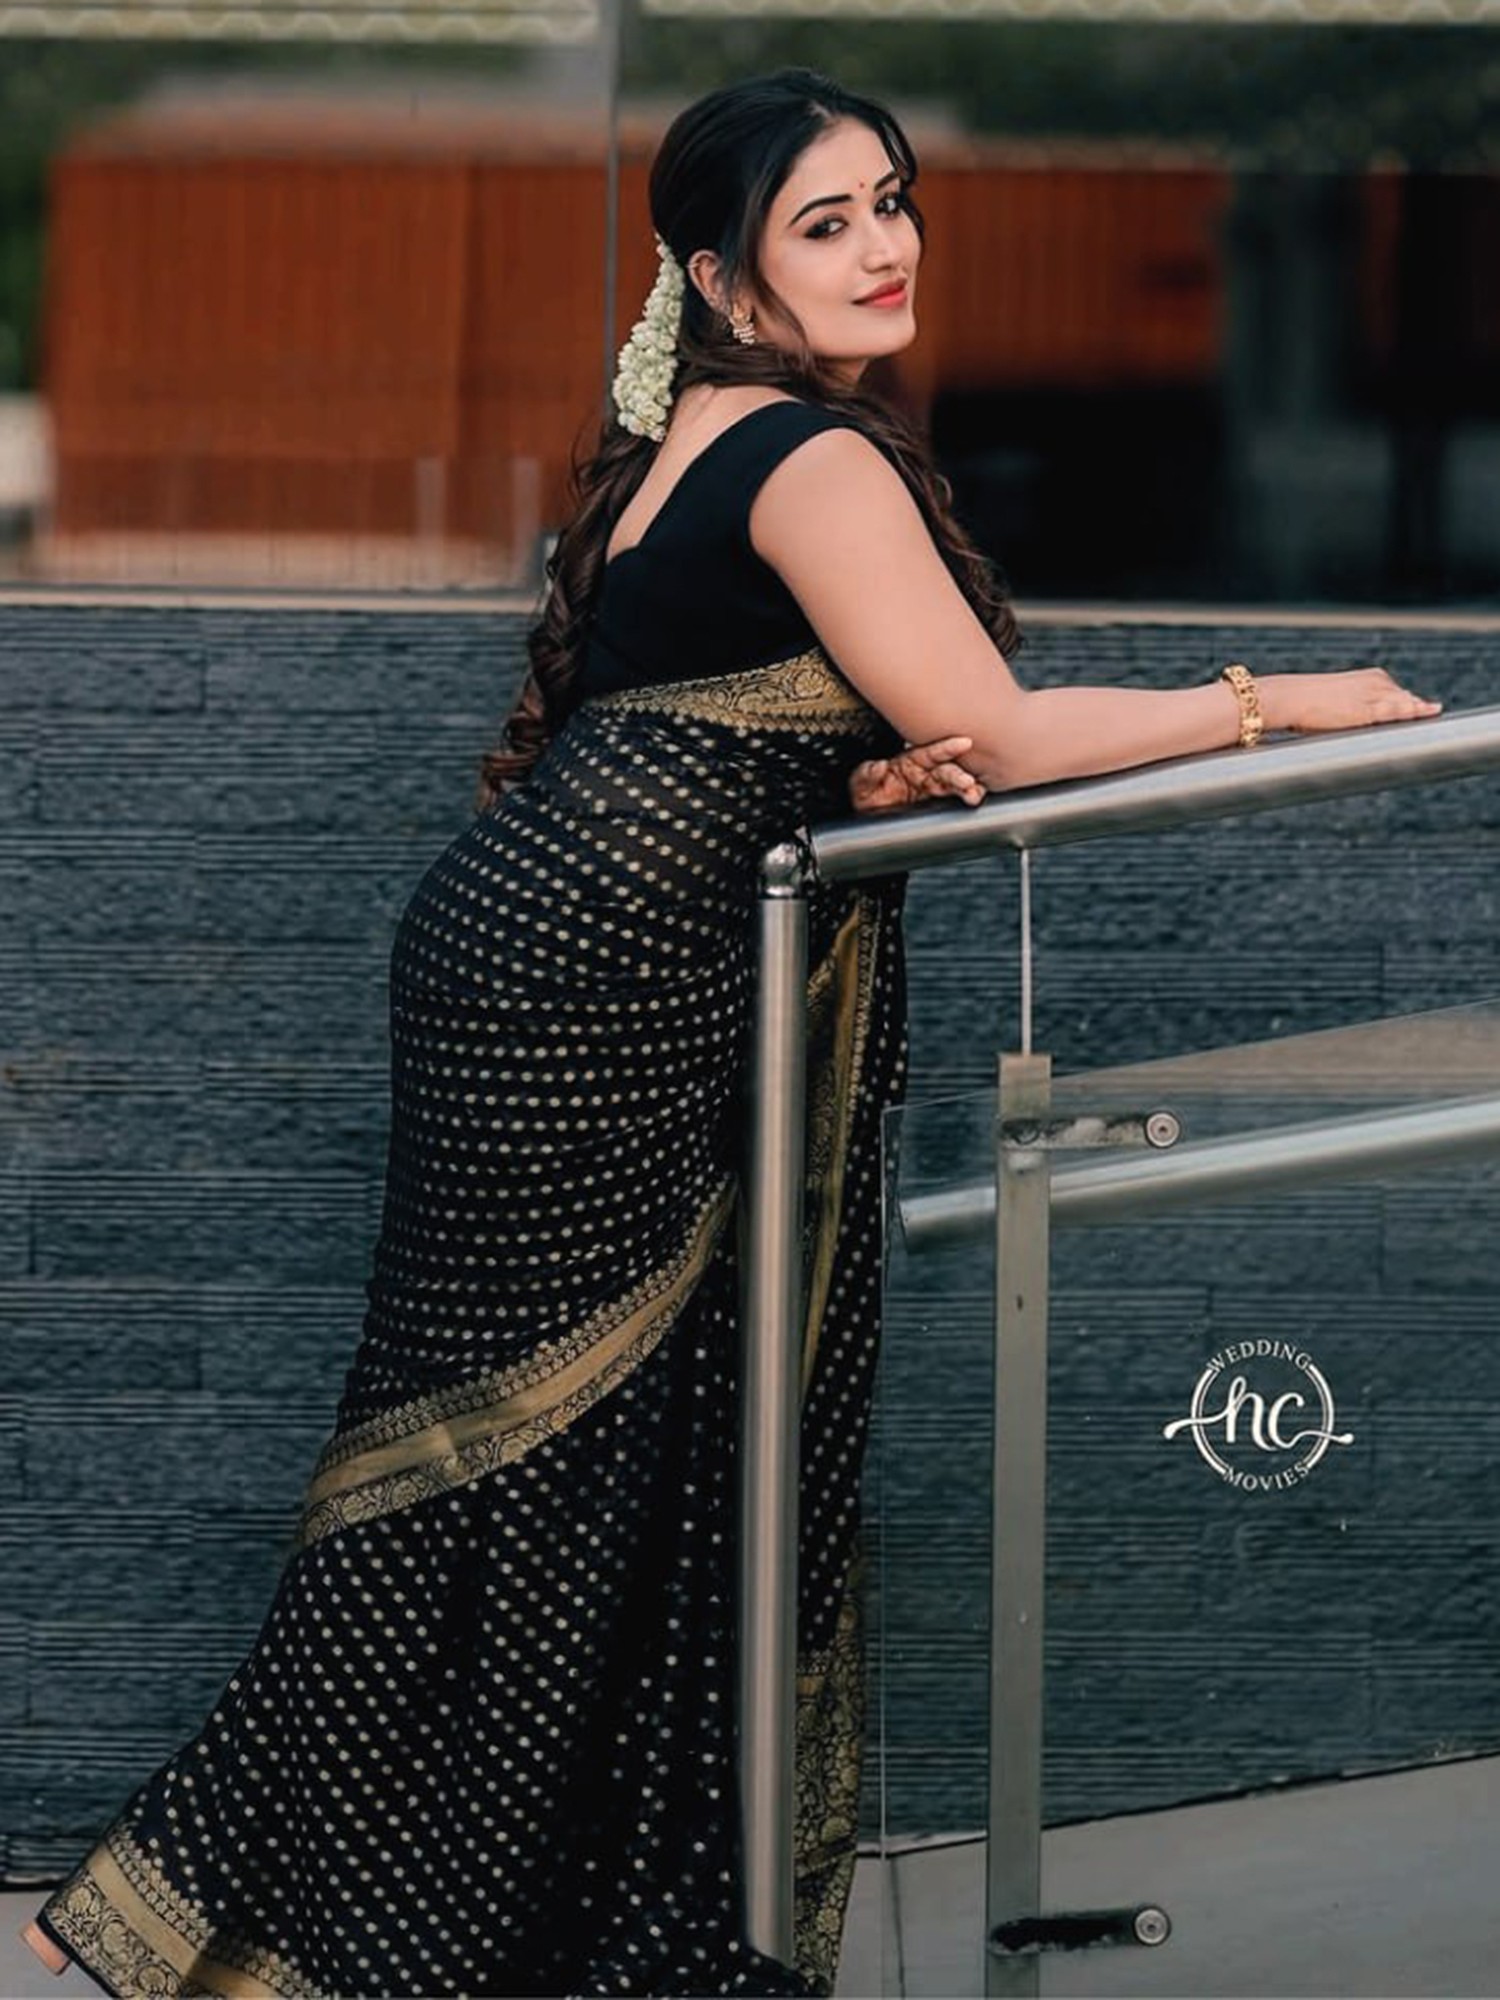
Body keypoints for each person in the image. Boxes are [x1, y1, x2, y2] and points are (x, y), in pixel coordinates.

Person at [23, 65, 1438, 2000]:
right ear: (721, 275)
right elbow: (1005, 730)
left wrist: (856, 780)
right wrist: (1288, 698)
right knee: (550, 1462)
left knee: (524, 1459)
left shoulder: (691, 436)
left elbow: (738, 714)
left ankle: (342, 1927)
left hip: (536, 959)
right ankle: (359, 1929)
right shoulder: (814, 457)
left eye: (892, 202)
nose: (882, 248)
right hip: (601, 986)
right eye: (823, 224)